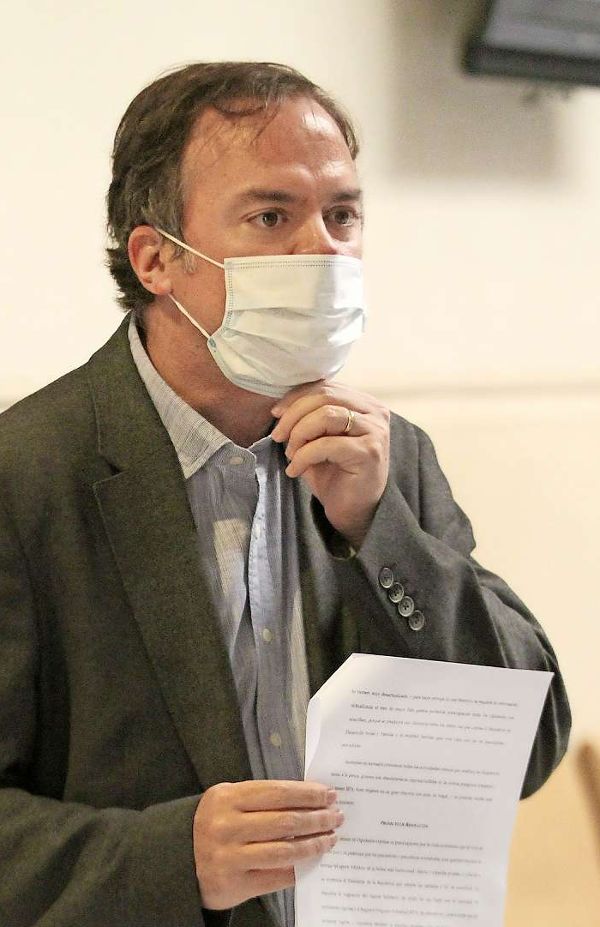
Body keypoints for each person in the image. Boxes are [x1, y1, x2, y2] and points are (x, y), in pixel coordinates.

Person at [0, 61, 570, 927]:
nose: (323, 249)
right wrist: (171, 858)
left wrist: (379, 530)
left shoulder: (392, 459)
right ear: (157, 259)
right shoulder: (27, 475)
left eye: (342, 215)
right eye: (272, 216)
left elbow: (526, 748)